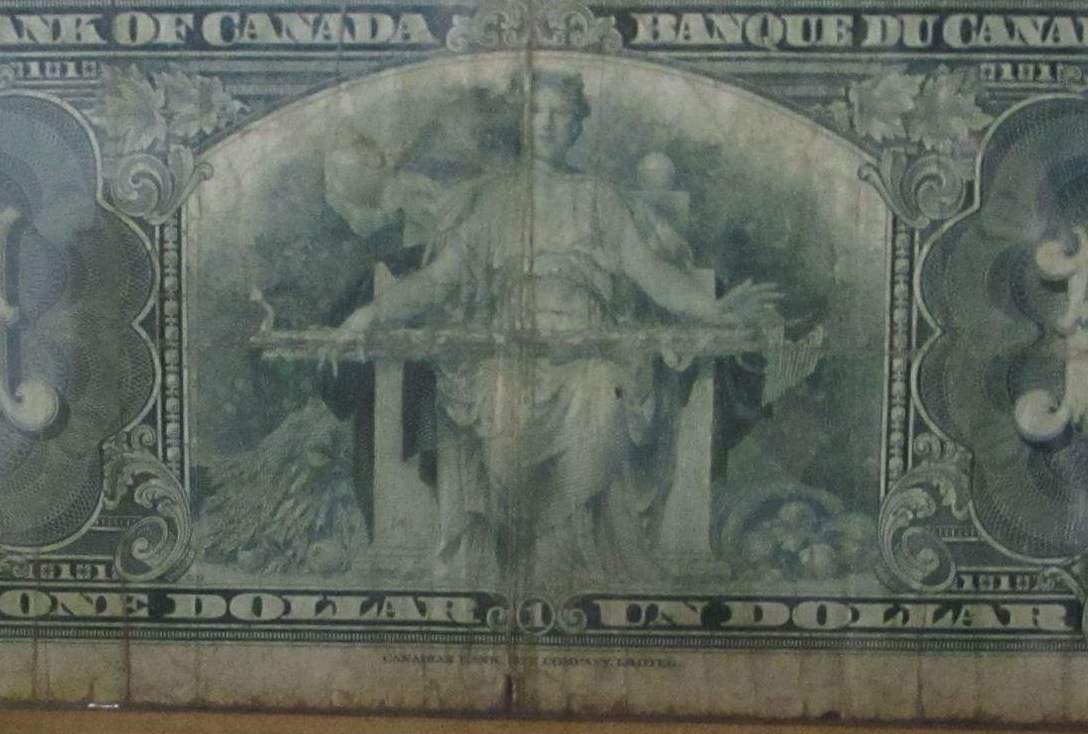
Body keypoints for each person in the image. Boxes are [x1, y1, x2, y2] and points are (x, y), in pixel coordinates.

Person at [333, 69, 779, 582]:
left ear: (576, 125)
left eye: (559, 114)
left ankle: (570, 557)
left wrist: (714, 311)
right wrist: (371, 312)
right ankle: (525, 555)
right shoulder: (493, 201)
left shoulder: (599, 198)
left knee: (602, 403)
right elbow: (438, 279)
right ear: (522, 121)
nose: (546, 124)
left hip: (588, 356)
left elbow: (650, 272)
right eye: (536, 112)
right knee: (504, 408)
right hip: (507, 355)